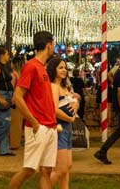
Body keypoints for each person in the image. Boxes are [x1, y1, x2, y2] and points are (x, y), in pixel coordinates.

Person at [8, 31, 58, 189]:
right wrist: (35, 123)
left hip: (50, 126)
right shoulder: (31, 66)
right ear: (49, 45)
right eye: (53, 43)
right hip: (39, 127)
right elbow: (17, 96)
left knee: (46, 171)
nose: (54, 46)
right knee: (29, 170)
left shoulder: (42, 67)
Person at [47, 56, 78, 189]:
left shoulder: (65, 86)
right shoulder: (53, 86)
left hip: (67, 128)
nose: (64, 70)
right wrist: (70, 118)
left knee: (67, 166)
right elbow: (53, 109)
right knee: (61, 169)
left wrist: (76, 105)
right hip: (59, 128)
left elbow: (75, 100)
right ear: (53, 70)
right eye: (60, 67)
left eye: (65, 67)